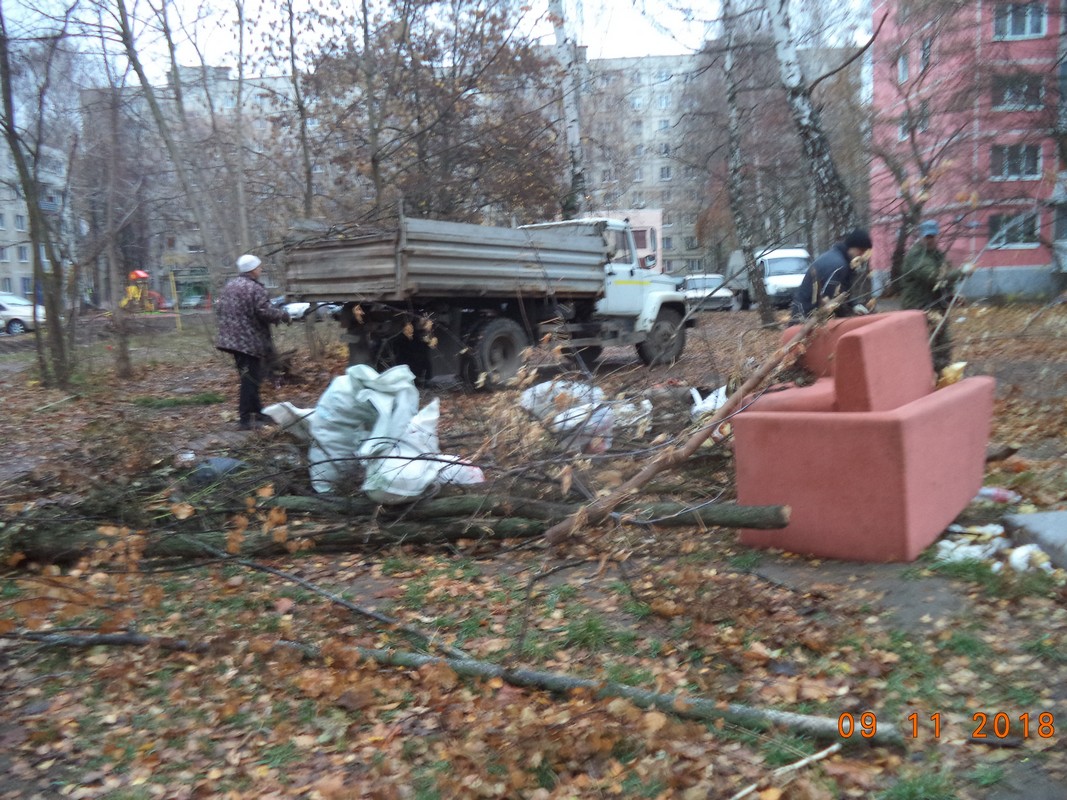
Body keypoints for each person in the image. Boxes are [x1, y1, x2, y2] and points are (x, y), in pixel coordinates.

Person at [215, 254, 291, 430]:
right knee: (250, 379)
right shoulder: (254, 288)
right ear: (252, 269)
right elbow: (264, 312)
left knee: (252, 377)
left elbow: (220, 308)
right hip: (247, 342)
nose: (261, 269)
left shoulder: (230, 285)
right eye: (259, 267)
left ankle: (256, 412)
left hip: (232, 340)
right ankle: (246, 418)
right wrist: (284, 315)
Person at [899, 219, 969, 372]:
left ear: (937, 236)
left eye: (932, 236)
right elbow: (935, 277)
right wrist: (961, 272)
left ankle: (942, 377)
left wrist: (952, 296)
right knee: (927, 349)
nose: (930, 240)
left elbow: (943, 283)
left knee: (945, 344)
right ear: (921, 237)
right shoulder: (917, 256)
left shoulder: (936, 255)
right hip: (918, 309)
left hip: (935, 308)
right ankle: (926, 378)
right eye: (927, 236)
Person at [790, 228, 873, 321]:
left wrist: (853, 305)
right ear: (852, 247)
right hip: (806, 315)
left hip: (808, 312)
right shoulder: (839, 265)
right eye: (861, 250)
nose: (862, 255)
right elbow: (827, 300)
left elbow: (842, 293)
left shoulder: (841, 260)